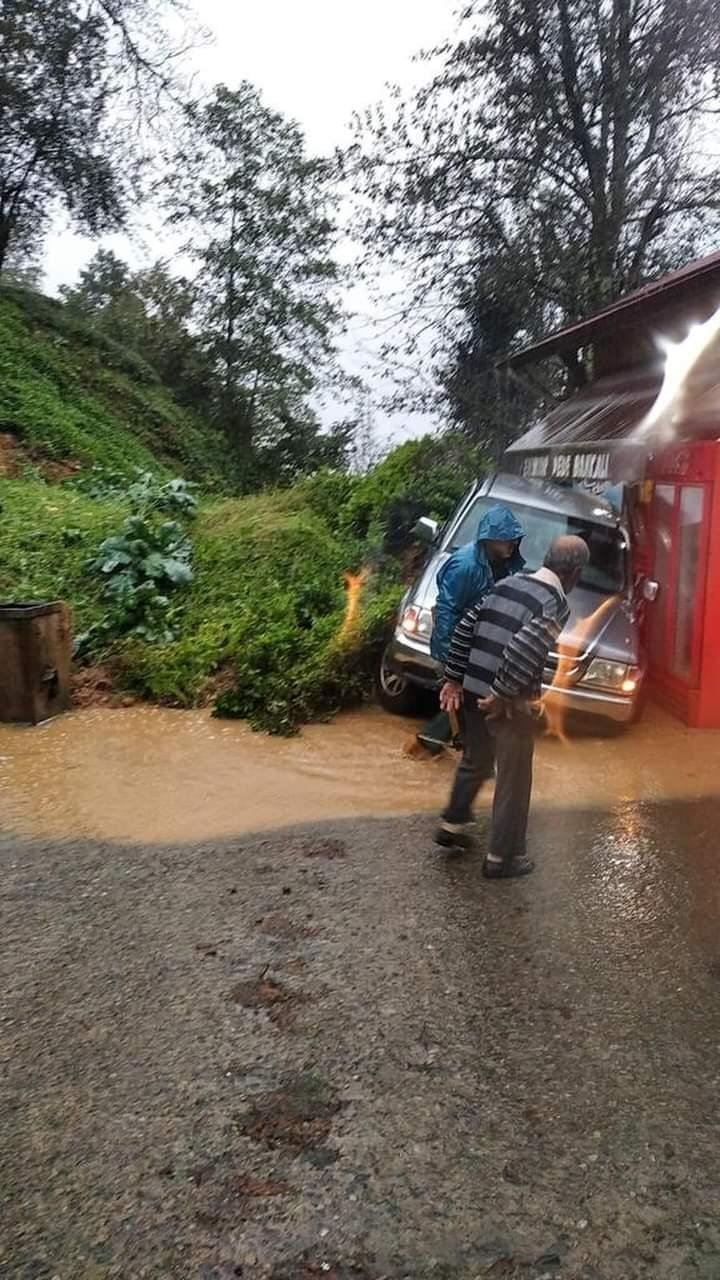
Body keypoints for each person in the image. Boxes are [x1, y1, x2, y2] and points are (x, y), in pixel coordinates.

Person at [434, 535, 590, 878]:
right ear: (574, 573)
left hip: (473, 689)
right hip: (506, 702)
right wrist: (503, 693)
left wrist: (453, 678)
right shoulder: (554, 602)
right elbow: (526, 647)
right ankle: (502, 858)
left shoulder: (508, 583)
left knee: (475, 759)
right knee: (515, 778)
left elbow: (464, 627)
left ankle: (453, 825)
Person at [416, 505, 525, 752]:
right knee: (461, 701)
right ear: (489, 539)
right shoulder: (465, 566)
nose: (512, 543)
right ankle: (427, 747)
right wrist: (449, 662)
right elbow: (446, 610)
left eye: (514, 538)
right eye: (506, 538)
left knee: (466, 703)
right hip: (457, 643)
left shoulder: (505, 564)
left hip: (478, 645)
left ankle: (434, 748)